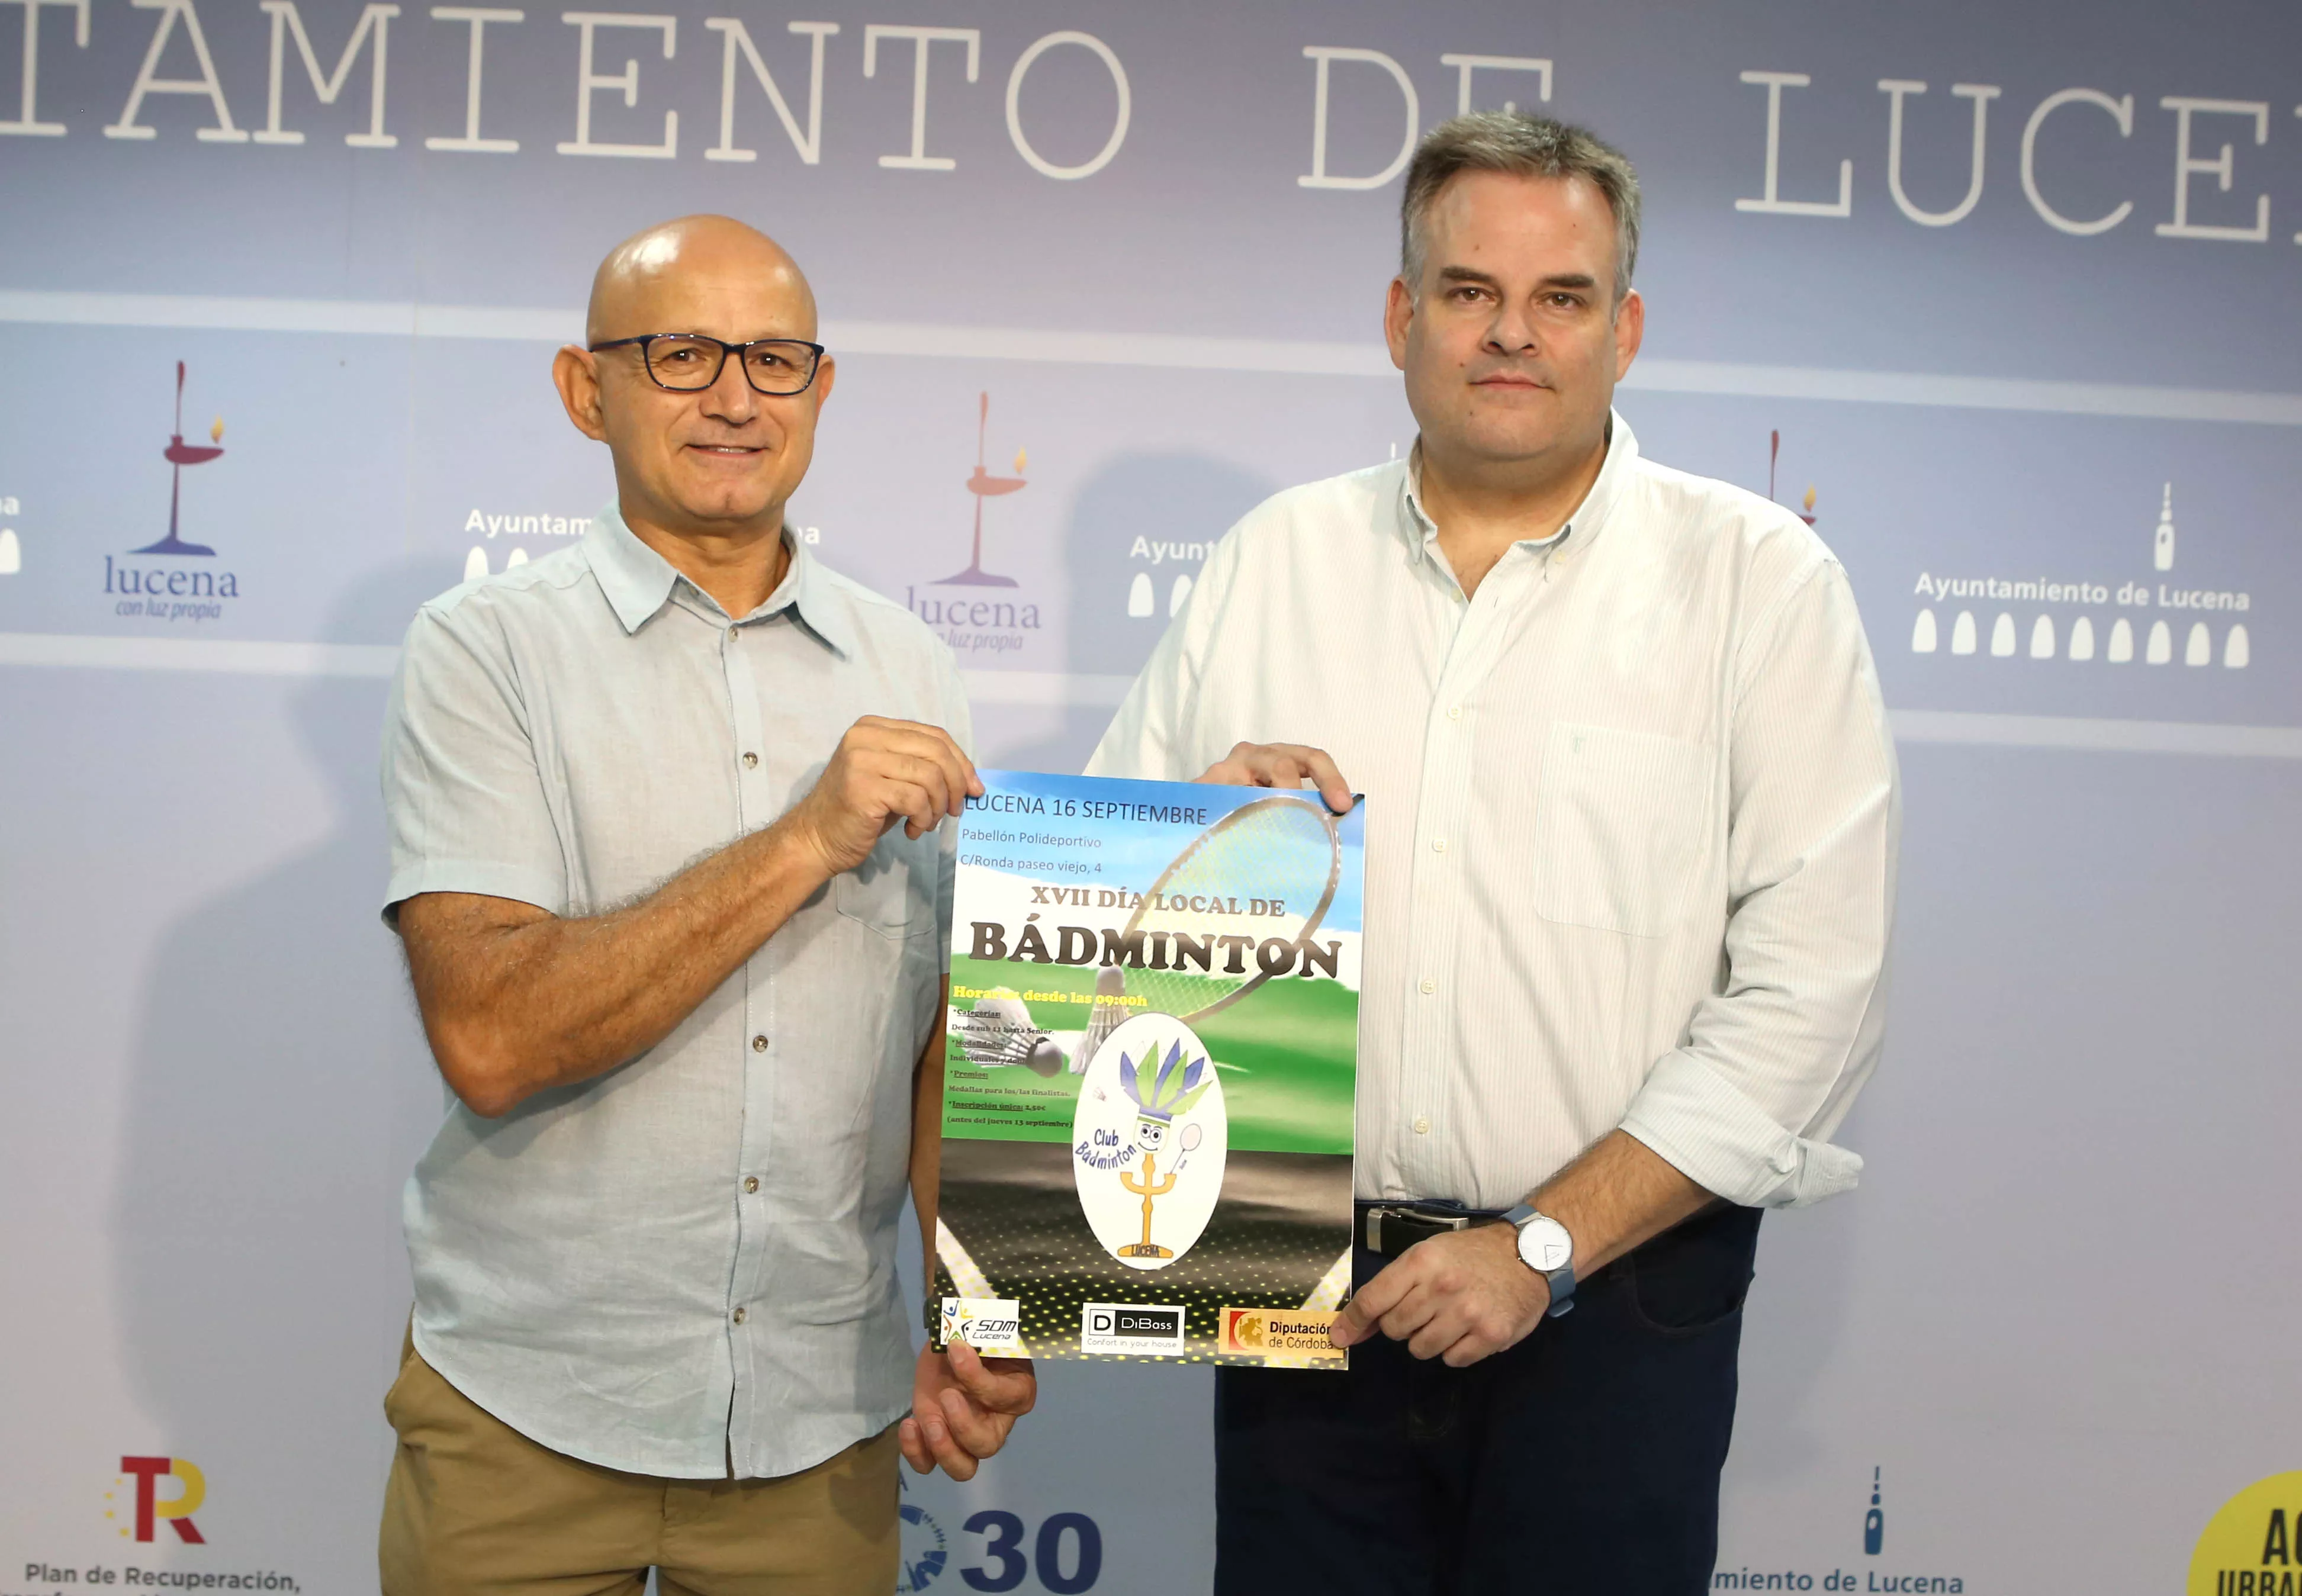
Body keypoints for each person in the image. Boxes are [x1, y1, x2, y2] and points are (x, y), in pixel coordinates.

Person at [1086, 114, 1899, 1594]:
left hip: (1616, 1293)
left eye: (1561, 298)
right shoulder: (1272, 560)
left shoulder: (1760, 587)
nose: (1512, 334)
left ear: (1626, 328)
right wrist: (1191, 833)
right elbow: (1089, 942)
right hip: (1307, 1293)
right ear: (1402, 319)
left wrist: (1538, 1247)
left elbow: (1814, 994)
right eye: (1468, 292)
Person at [376, 214, 1035, 1596]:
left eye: (777, 359)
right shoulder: (485, 652)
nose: (736, 397)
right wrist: (803, 836)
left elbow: (942, 1039)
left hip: (820, 1429)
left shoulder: (912, 661)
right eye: (683, 354)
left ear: (821, 388)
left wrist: (978, 1305)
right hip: (530, 1422)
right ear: (585, 387)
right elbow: (490, 1039)